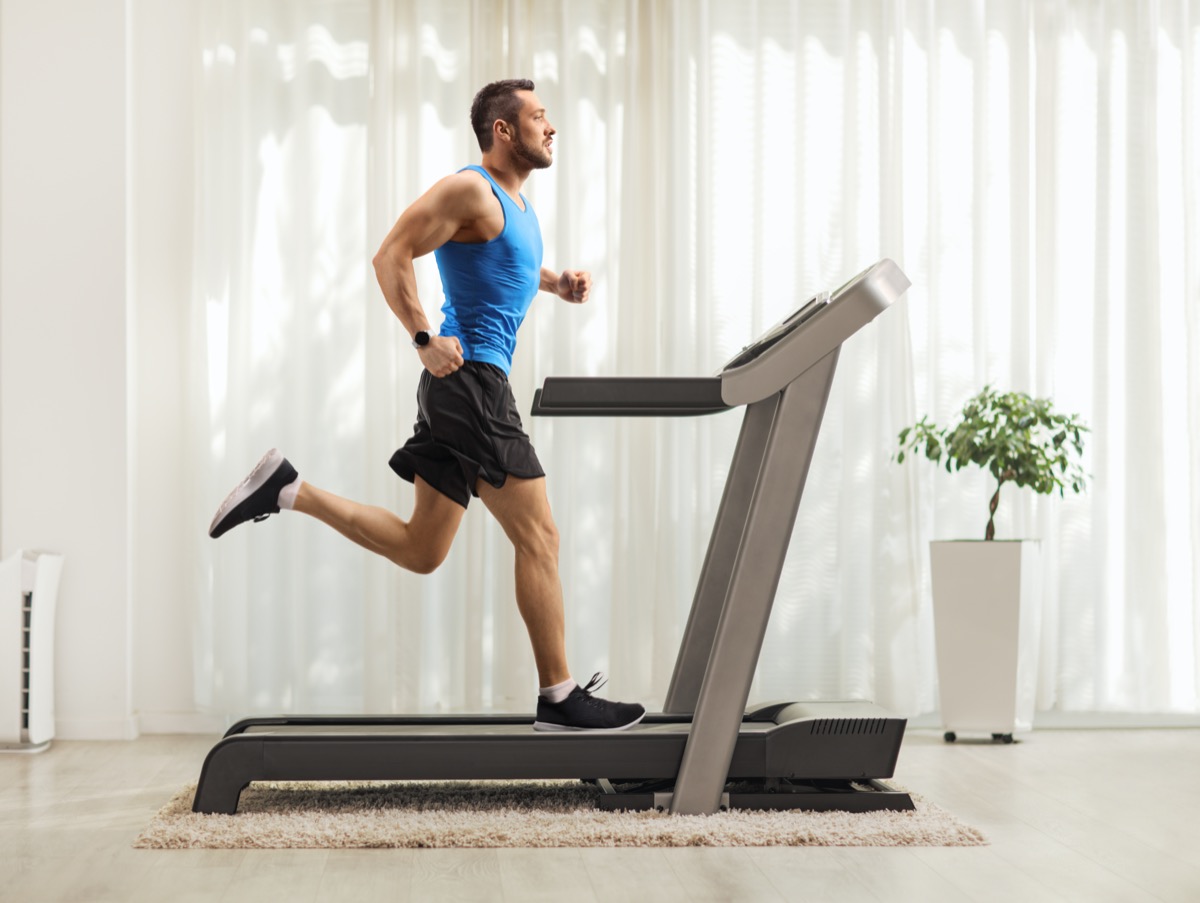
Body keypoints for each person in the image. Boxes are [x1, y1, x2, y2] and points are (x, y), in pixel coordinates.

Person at [208, 78, 645, 732]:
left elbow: (509, 268)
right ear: (503, 130)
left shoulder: (517, 207)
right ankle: (559, 696)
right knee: (541, 535)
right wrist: (421, 338)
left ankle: (288, 489)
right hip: (470, 384)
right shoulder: (472, 188)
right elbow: (391, 254)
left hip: (462, 389)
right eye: (539, 117)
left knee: (421, 548)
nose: (551, 127)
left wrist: (558, 283)